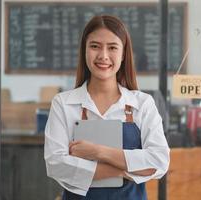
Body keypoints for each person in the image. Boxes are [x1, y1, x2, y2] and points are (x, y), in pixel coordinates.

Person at [44, 15, 170, 200]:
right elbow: (56, 164)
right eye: (95, 46)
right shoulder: (63, 103)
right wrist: (123, 170)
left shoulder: (142, 104)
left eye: (112, 47)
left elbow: (159, 161)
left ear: (123, 53)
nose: (103, 56)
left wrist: (97, 152)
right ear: (84, 51)